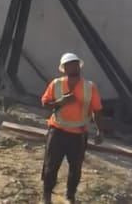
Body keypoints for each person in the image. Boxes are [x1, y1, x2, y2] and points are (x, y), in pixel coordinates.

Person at [40, 52, 104, 204]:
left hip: (78, 134)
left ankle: (70, 196)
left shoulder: (89, 87)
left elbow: (97, 110)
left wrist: (100, 130)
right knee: (51, 165)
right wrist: (61, 101)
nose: (74, 66)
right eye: (70, 64)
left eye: (76, 63)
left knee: (75, 168)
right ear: (65, 69)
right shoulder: (56, 84)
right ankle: (46, 195)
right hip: (57, 131)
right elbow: (45, 103)